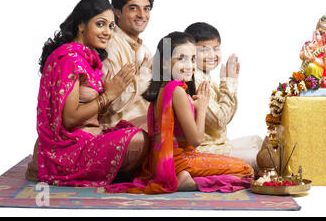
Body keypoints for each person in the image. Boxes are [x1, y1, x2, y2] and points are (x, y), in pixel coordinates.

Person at [105, 32, 254, 193]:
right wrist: (202, 107)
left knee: (238, 165)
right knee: (247, 170)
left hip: (161, 162)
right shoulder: (177, 92)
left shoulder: (163, 89)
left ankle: (186, 177)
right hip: (179, 161)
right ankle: (189, 182)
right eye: (181, 58)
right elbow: (196, 139)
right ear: (164, 63)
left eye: (192, 59)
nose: (189, 65)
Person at [25, 0, 149, 186]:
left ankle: (122, 170)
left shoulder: (88, 60)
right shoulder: (69, 60)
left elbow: (92, 111)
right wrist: (108, 95)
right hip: (70, 149)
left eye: (111, 26)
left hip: (93, 136)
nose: (107, 32)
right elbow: (70, 119)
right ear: (81, 25)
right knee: (140, 140)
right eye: (100, 24)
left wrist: (108, 94)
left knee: (153, 121)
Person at [184, 22, 262, 171]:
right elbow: (220, 121)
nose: (212, 55)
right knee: (259, 156)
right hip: (202, 150)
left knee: (257, 141)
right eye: (204, 50)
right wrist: (229, 83)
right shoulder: (194, 79)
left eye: (216, 48)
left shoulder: (205, 76)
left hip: (219, 144)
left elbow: (225, 119)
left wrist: (228, 84)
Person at [99, 0, 154, 130]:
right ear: (117, 12)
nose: (142, 15)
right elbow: (113, 104)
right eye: (133, 8)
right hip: (117, 131)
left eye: (146, 9)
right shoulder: (109, 45)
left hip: (145, 125)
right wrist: (145, 74)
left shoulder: (145, 50)